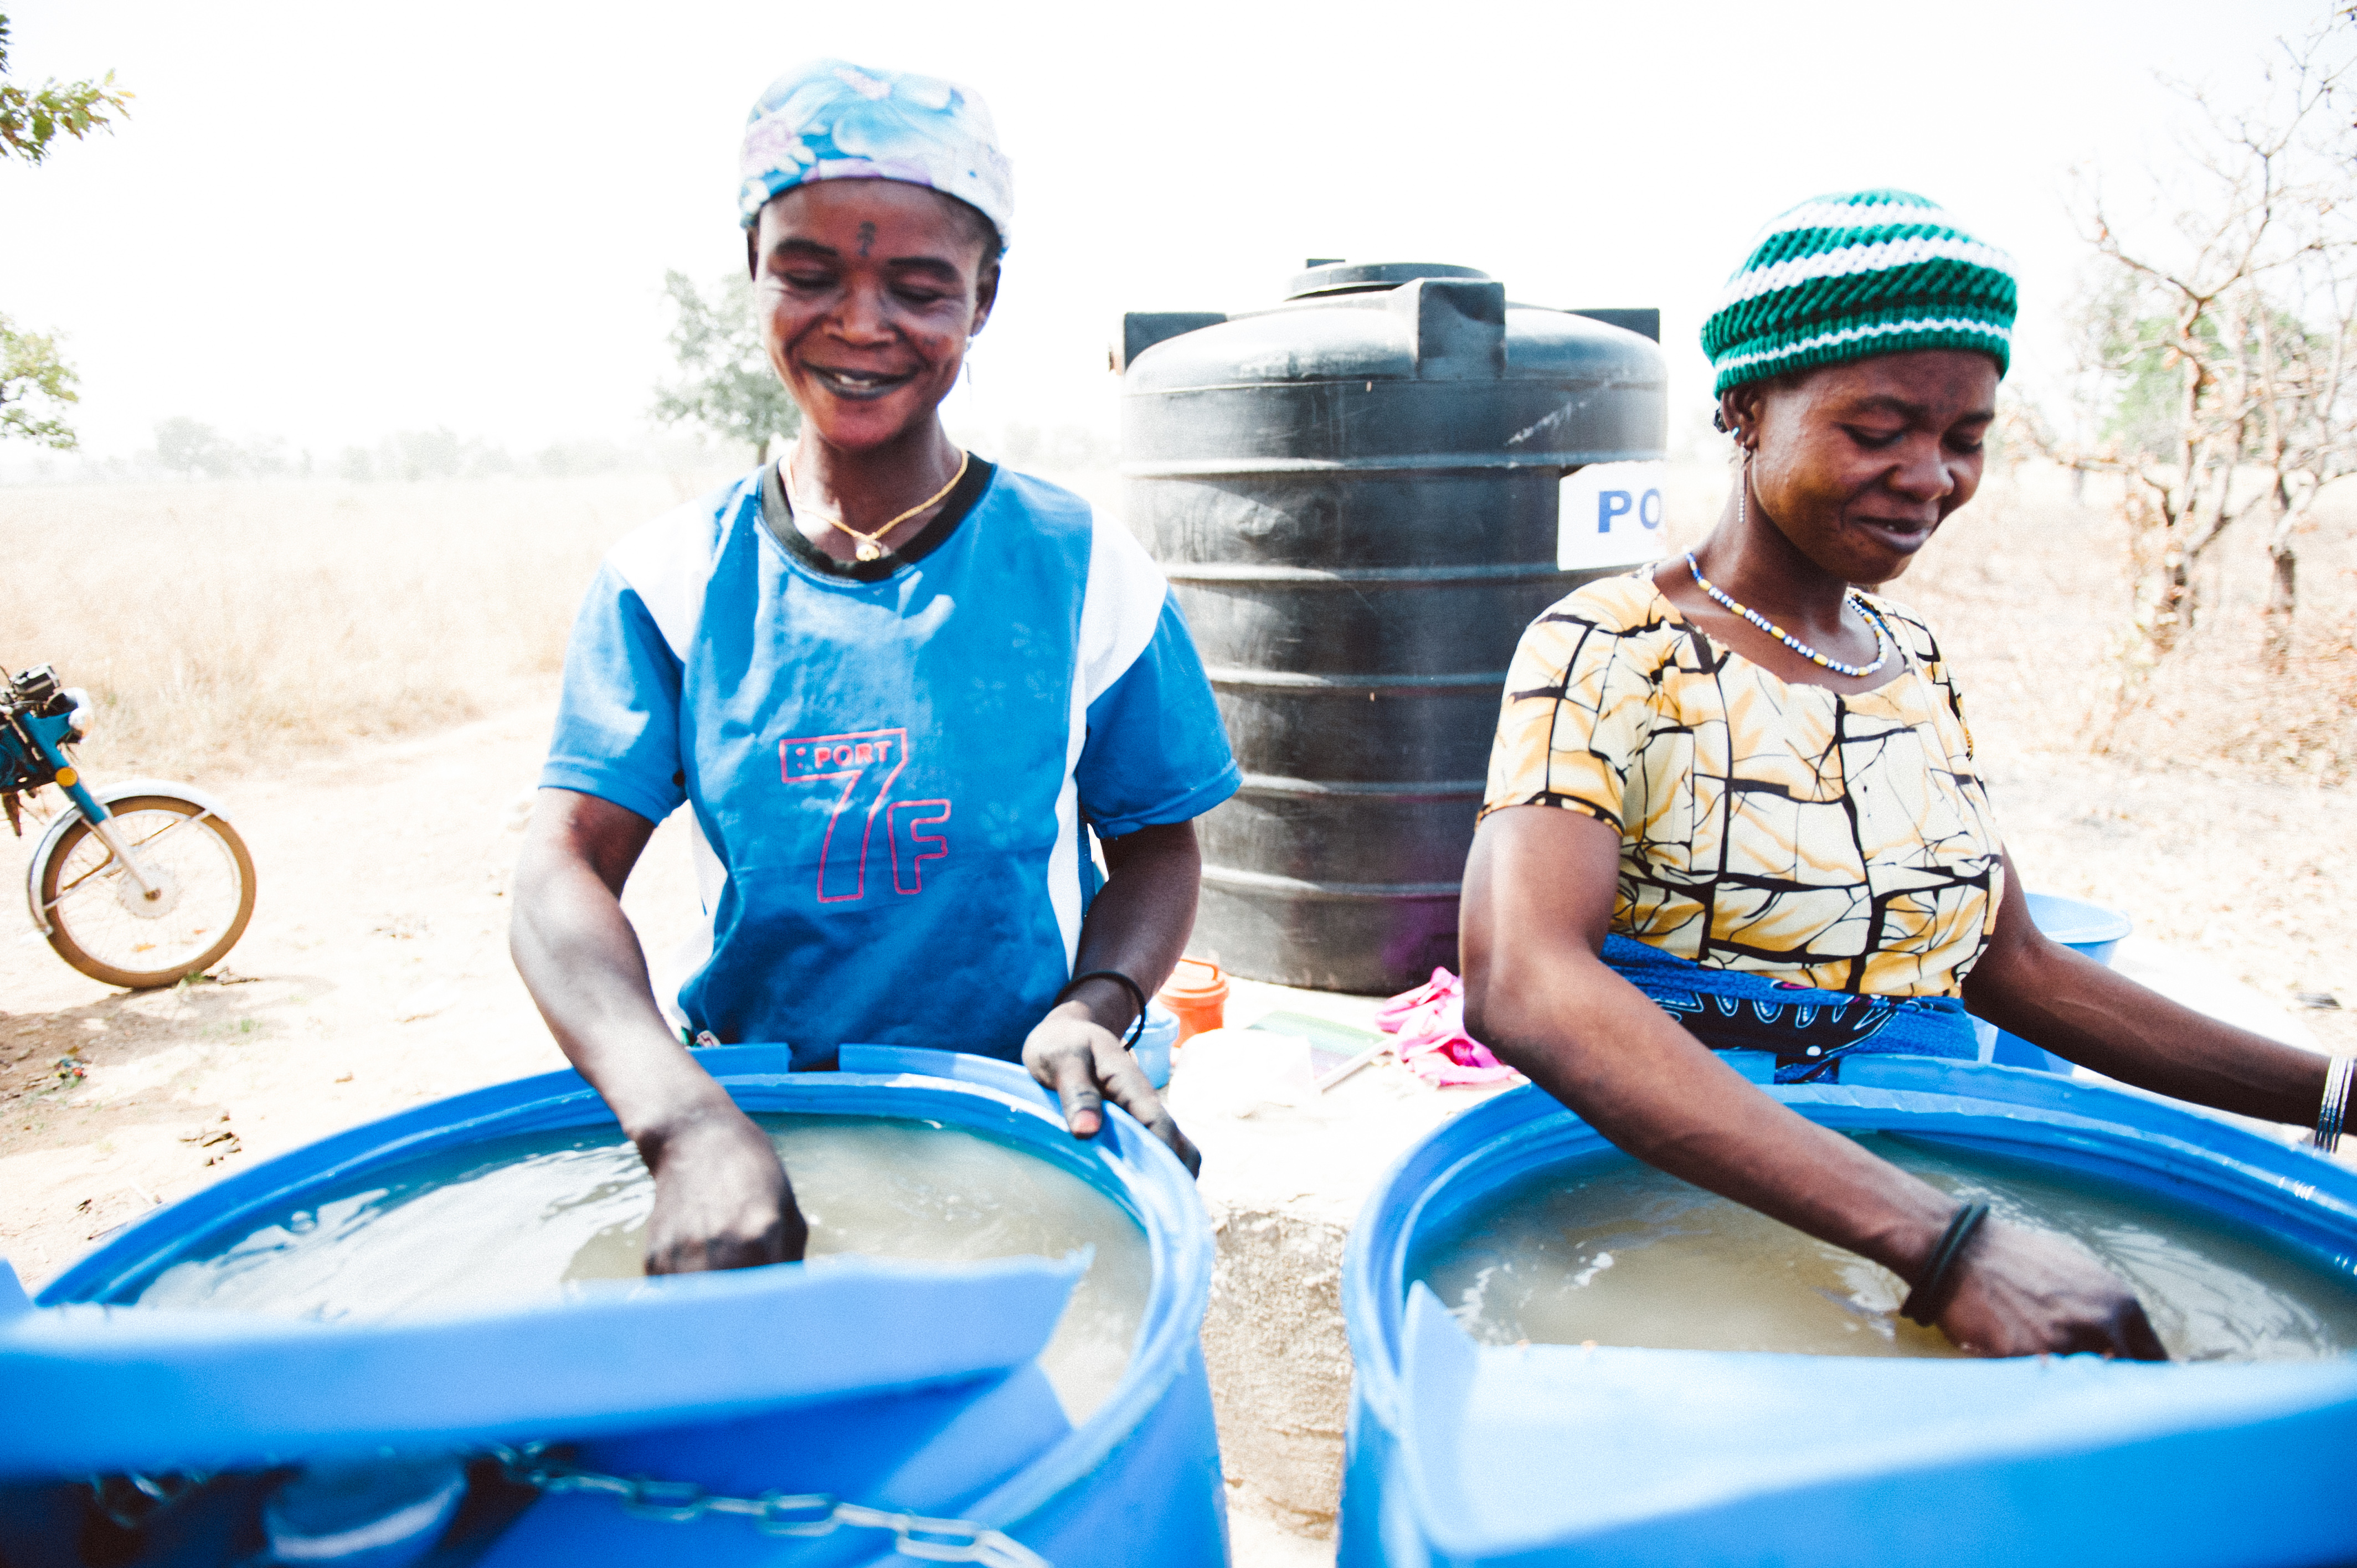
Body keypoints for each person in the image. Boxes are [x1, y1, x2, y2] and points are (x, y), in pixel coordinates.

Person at [1460, 189, 2354, 1360]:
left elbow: (2015, 967)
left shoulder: (1908, 663)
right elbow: (1522, 978)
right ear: (1745, 410)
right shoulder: (1611, 647)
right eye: (1875, 429)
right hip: (1678, 1203)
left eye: (1965, 439)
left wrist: (2334, 1090)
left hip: (1932, 1165)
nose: (1929, 476)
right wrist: (1947, 1248)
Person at [511, 59, 1239, 1275]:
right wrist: (683, 1115)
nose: (859, 325)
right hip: (764, 1121)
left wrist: (1095, 1006)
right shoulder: (671, 582)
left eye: (917, 286)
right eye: (809, 274)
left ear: (983, 298)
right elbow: (560, 867)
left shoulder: (1079, 568)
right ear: (752, 272)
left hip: (1021, 1106)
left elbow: (1156, 841)